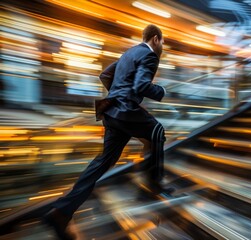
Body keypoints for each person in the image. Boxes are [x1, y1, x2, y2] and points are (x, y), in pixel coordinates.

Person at [43, 24, 171, 240]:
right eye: (163, 43)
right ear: (156, 39)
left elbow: (105, 74)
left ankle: (61, 211)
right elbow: (141, 86)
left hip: (111, 110)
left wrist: (119, 91)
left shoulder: (129, 52)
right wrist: (160, 91)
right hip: (126, 109)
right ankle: (153, 186)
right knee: (157, 131)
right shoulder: (150, 55)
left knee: (103, 161)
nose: (162, 47)